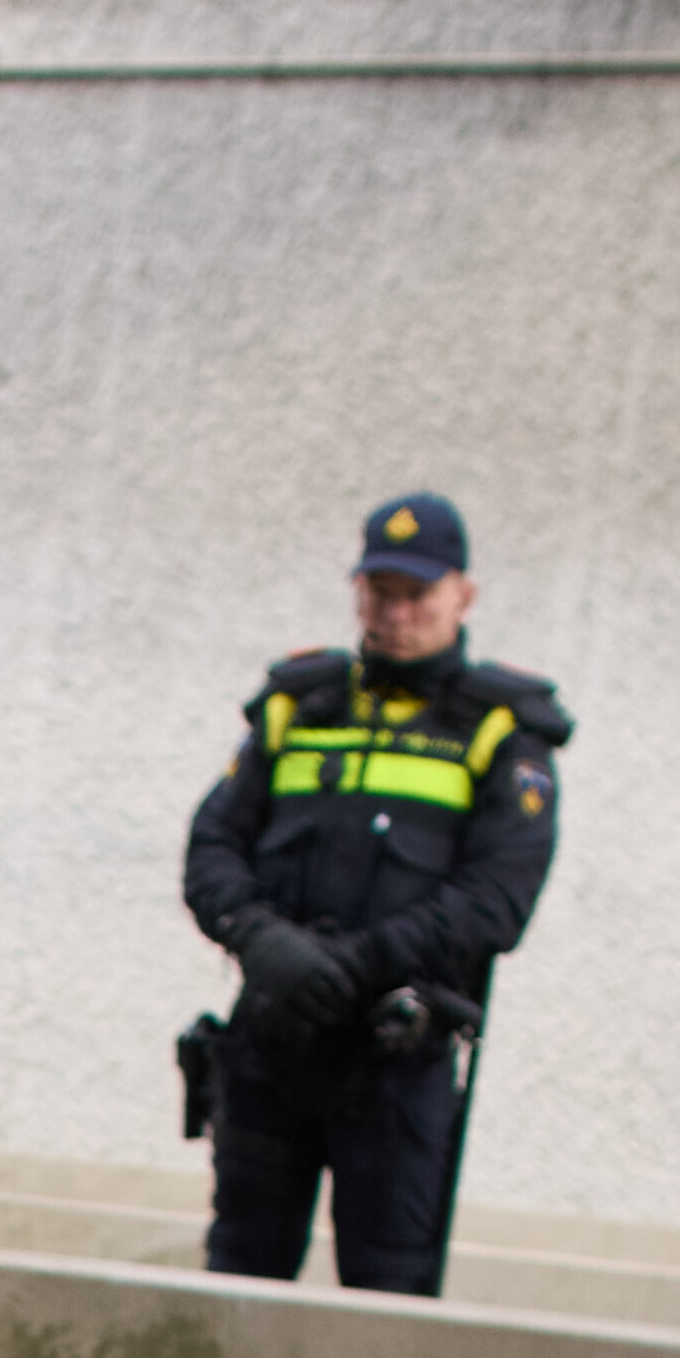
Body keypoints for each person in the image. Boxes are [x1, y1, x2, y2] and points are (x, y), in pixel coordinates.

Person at [182, 488, 563, 1300]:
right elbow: (213, 846)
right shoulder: (297, 706)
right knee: (234, 1296)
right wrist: (261, 940)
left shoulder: (498, 732)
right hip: (272, 1045)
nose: (396, 614)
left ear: (463, 596)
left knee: (388, 1313)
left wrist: (355, 966)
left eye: (417, 595)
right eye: (379, 593)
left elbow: (497, 900)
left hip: (395, 1062)